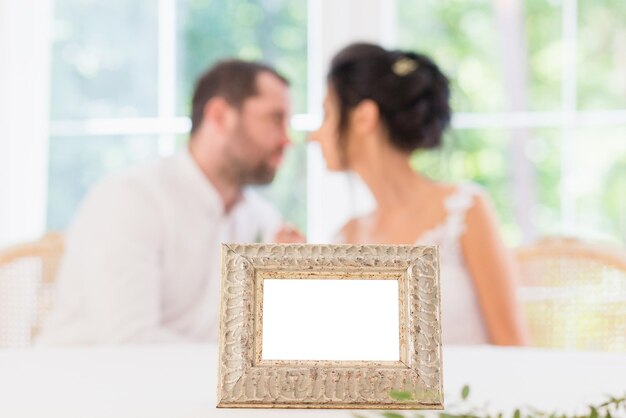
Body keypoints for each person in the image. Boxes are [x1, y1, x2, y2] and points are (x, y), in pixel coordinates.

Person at [38, 60, 303, 344]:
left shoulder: (262, 219)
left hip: (189, 386)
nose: (287, 140)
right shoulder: (132, 198)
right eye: (275, 119)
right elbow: (130, 340)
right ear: (220, 115)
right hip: (82, 382)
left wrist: (293, 290)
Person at [309, 43, 528, 346]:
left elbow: (512, 346)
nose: (314, 135)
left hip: (474, 393)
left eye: (326, 113)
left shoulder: (464, 211)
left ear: (364, 117)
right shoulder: (345, 236)